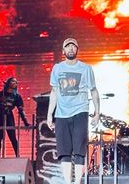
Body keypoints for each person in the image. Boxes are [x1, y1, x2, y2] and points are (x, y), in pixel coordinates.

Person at [47, 37, 100, 184]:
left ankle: (77, 182)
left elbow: (94, 91)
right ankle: (67, 182)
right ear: (63, 51)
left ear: (77, 50)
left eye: (73, 46)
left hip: (80, 111)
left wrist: (97, 112)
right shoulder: (57, 68)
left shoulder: (86, 68)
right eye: (67, 46)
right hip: (62, 114)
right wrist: (49, 114)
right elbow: (54, 92)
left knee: (79, 149)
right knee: (64, 151)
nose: (71, 49)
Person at [0, 76, 30, 158]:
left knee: (12, 137)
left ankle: (18, 155)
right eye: (13, 81)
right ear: (8, 83)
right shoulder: (0, 94)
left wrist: (25, 122)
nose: (15, 83)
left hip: (9, 116)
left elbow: (21, 110)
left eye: (16, 82)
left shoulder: (17, 97)